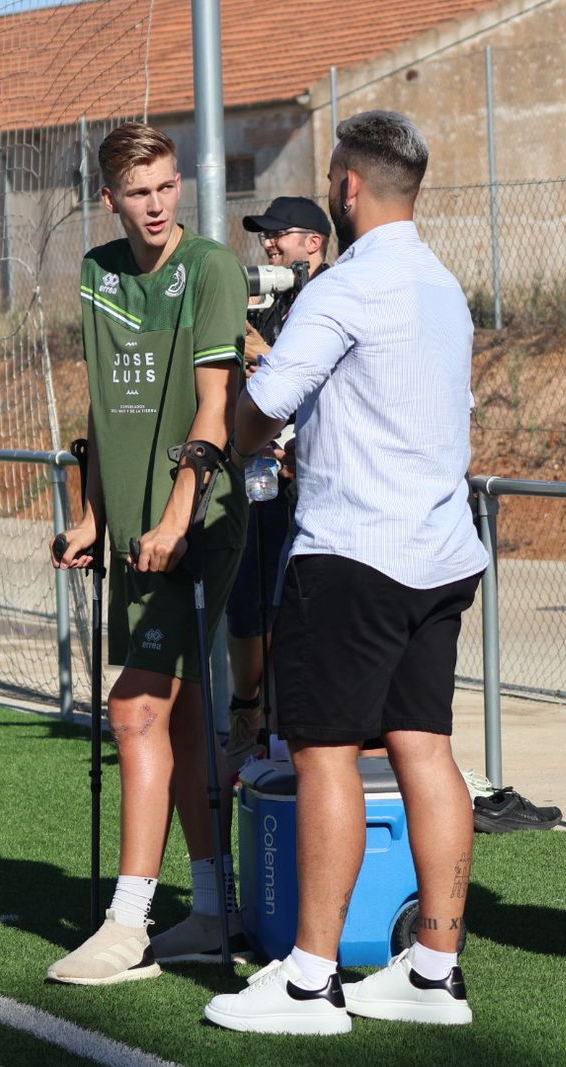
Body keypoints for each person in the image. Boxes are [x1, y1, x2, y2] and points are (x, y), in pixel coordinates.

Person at [204, 109, 487, 1035]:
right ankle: (435, 969)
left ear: (347, 187)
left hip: (353, 550)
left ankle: (309, 979)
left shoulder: (345, 286)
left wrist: (238, 420)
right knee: (426, 750)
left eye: (331, 178)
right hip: (439, 552)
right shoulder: (445, 287)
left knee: (324, 754)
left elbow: (265, 406)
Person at [48, 121, 249, 981]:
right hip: (131, 527)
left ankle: (127, 923)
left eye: (167, 185)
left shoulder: (211, 268)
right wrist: (93, 514)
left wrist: (174, 518)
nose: (158, 204)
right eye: (139, 191)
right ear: (110, 199)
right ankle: (211, 909)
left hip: (196, 522)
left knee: (134, 710)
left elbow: (216, 409)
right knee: (188, 719)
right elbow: (102, 408)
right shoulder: (97, 271)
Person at [224, 197, 332, 772]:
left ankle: (289, 722)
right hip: (261, 475)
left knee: (300, 609)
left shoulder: (332, 299)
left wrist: (265, 356)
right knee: (246, 598)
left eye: (278, 235)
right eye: (264, 236)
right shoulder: (267, 300)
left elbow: (320, 381)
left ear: (313, 243)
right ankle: (248, 713)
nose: (268, 244)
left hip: (316, 479)